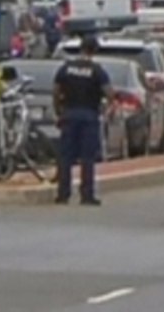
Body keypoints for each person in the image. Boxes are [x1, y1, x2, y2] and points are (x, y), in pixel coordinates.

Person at [53, 36, 112, 205]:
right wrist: (104, 106)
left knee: (65, 157)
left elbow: (56, 91)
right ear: (94, 50)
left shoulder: (66, 68)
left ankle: (63, 194)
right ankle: (87, 195)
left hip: (69, 114)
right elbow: (109, 93)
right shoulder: (97, 70)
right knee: (87, 158)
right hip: (89, 116)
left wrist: (59, 112)